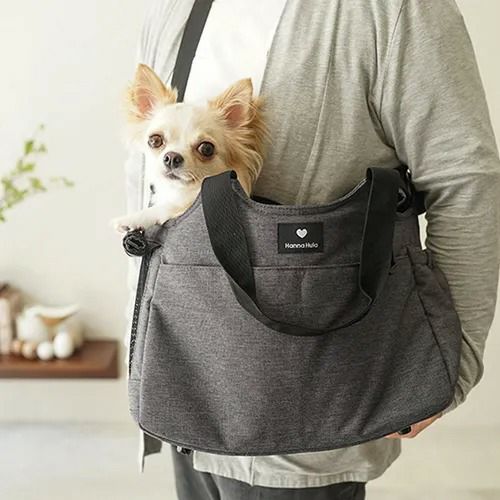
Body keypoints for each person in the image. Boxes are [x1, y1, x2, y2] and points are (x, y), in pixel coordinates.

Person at [123, 0, 500, 498]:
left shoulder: (396, 11)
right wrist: (142, 353)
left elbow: (465, 177)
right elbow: (146, 184)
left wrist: (455, 363)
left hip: (307, 423)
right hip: (183, 395)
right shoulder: (174, 11)